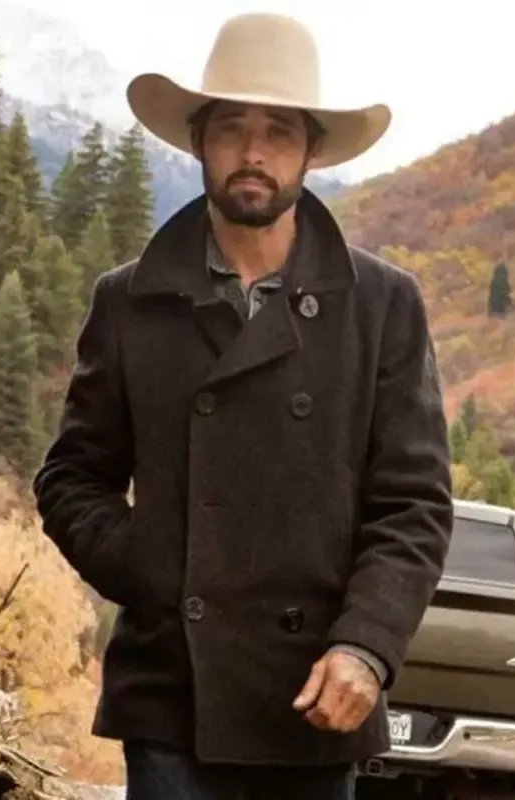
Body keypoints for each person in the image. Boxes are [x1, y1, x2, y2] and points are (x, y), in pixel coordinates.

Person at [32, 11, 453, 800]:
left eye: (278, 131)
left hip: (315, 697)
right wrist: (153, 566)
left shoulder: (382, 305)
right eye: (232, 127)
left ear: (311, 150)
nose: (253, 152)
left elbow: (414, 505)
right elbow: (71, 478)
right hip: (173, 699)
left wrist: (366, 646)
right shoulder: (128, 301)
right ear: (199, 140)